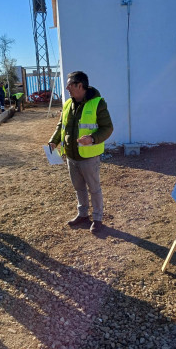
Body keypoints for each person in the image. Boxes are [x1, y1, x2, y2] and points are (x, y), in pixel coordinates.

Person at [48, 71, 113, 234]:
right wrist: (53, 140)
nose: (67, 87)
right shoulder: (67, 104)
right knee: (79, 188)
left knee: (94, 188)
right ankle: (83, 214)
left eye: (70, 84)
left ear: (80, 85)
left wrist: (91, 139)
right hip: (71, 155)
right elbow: (61, 125)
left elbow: (108, 128)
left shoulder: (98, 103)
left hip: (89, 156)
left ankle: (97, 218)